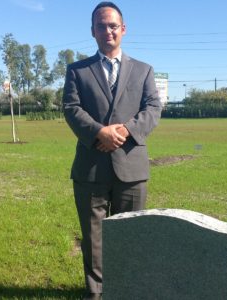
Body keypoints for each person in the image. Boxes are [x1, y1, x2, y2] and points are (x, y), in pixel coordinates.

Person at [62, 2, 162, 299]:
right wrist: (99, 132)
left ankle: (128, 290)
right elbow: (71, 108)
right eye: (101, 26)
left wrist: (125, 130)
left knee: (131, 236)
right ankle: (96, 294)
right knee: (94, 238)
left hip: (132, 168)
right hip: (91, 167)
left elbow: (153, 108)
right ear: (92, 31)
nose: (108, 31)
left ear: (123, 29)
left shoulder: (144, 71)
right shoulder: (77, 70)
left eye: (113, 25)